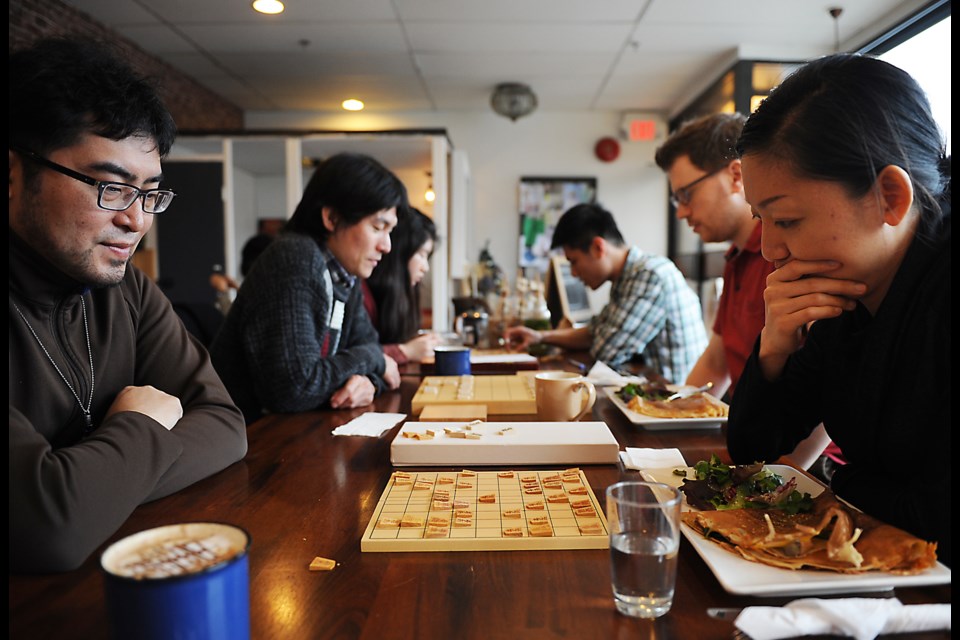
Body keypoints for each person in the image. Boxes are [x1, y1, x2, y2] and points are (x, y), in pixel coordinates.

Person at [9, 38, 248, 573]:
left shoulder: (126, 291)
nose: (137, 220)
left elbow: (226, 427)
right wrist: (138, 428)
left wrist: (88, 484)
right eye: (112, 187)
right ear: (13, 174)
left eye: (150, 194)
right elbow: (48, 529)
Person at [728, 53, 951, 565]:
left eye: (785, 219)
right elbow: (753, 450)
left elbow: (937, 514)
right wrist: (774, 348)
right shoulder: (844, 293)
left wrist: (841, 480)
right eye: (761, 219)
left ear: (889, 197)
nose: (768, 251)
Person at [654, 113, 835, 476]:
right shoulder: (737, 258)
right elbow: (717, 360)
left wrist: (779, 475)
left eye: (686, 195)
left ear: (736, 176)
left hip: (800, 464)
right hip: (751, 440)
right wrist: (664, 416)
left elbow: (830, 385)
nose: (683, 212)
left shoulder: (790, 255)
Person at [210, 153, 407, 423]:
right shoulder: (294, 259)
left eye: (390, 231)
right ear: (332, 218)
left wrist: (368, 381)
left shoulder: (344, 277)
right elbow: (294, 388)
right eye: (377, 227)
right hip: (246, 439)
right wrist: (374, 359)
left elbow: (369, 349)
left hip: (288, 433)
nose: (387, 246)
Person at [504, 203, 708, 383]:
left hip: (679, 408)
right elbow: (594, 332)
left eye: (574, 261)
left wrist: (587, 336)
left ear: (598, 247)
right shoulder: (627, 277)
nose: (574, 273)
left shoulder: (648, 275)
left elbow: (607, 351)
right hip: (659, 400)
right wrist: (540, 337)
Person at [362, 206, 442, 363]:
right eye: (421, 254)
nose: (425, 267)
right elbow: (356, 358)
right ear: (398, 252)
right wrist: (406, 351)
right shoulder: (362, 295)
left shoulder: (399, 298)